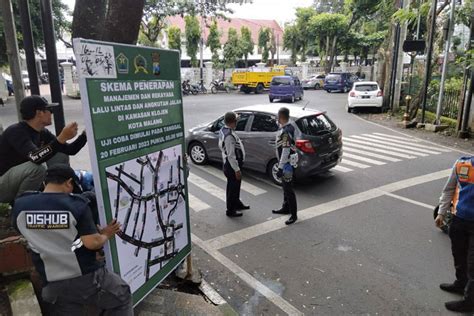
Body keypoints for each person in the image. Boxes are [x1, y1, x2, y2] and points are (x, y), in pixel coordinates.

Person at [12, 164, 133, 315]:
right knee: (122, 295)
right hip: (83, 278)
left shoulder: (21, 205)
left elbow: (26, 230)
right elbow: (92, 243)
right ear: (69, 182)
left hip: (51, 283)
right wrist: (106, 234)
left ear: (45, 183)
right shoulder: (76, 205)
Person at [0, 95, 87, 204]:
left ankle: (57, 197)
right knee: (37, 168)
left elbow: (70, 150)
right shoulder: (16, 131)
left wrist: (85, 135)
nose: (51, 113)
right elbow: (36, 157)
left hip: (17, 180)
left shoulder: (42, 132)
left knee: (60, 154)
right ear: (39, 113)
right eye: (49, 110)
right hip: (3, 184)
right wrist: (61, 138)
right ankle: (22, 206)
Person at [436, 156, 474, 313]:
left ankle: (469, 301)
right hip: (459, 220)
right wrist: (441, 213)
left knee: (473, 265)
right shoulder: (461, 164)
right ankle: (460, 283)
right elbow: (449, 189)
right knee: (459, 255)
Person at [219, 112, 249, 217]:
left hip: (231, 164)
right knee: (232, 187)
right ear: (232, 122)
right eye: (236, 120)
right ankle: (231, 210)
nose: (237, 122)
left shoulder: (225, 130)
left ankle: (237, 203)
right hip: (232, 165)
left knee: (236, 186)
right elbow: (231, 155)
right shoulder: (229, 136)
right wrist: (237, 169)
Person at [272, 107, 298, 225]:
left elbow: (286, 151)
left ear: (281, 117)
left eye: (278, 117)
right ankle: (285, 207)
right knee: (285, 188)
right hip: (287, 163)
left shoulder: (286, 132)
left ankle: (293, 215)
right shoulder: (288, 127)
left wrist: (280, 167)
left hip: (287, 165)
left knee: (288, 189)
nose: (277, 119)